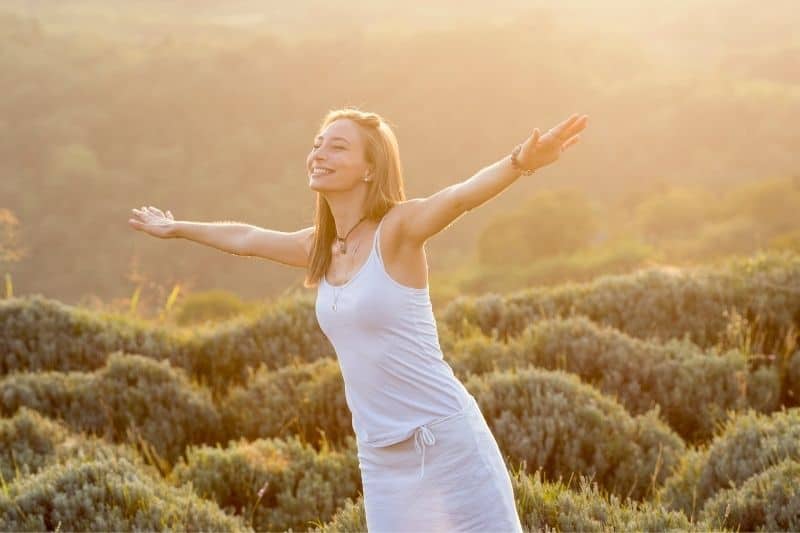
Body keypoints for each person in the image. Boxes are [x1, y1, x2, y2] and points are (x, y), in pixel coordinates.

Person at [129, 107, 588, 532]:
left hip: (445, 442)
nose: (319, 153)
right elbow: (247, 237)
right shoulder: (320, 249)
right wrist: (178, 228)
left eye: (337, 146)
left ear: (370, 168)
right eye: (317, 143)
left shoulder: (398, 231)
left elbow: (458, 198)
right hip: (381, 458)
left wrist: (521, 161)